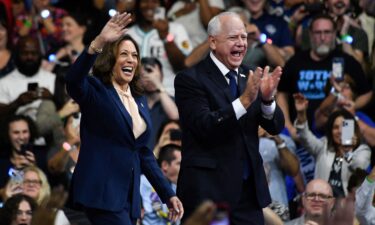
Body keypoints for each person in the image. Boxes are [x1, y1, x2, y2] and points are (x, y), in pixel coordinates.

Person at [65, 12, 183, 225]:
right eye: (124, 54)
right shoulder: (96, 90)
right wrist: (99, 41)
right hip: (101, 194)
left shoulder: (139, 98)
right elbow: (73, 80)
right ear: (111, 59)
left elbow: (143, 153)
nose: (131, 60)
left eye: (135, 55)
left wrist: (168, 194)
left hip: (129, 198)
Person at [174, 11, 284, 225]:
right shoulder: (190, 79)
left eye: (244, 37)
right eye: (233, 38)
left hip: (248, 194)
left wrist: (267, 100)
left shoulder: (251, 76)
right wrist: (244, 101)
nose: (241, 44)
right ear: (213, 42)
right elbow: (204, 125)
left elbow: (276, 125)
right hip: (208, 194)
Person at [293, 93, 371, 197]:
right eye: (335, 127)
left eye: (344, 127)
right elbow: (305, 136)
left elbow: (358, 166)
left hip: (346, 207)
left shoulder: (362, 150)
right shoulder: (323, 146)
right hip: (322, 203)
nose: (339, 131)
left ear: (352, 129)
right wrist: (301, 113)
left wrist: (347, 151)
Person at [141, 144, 182, 225]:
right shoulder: (142, 182)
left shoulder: (177, 188)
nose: (182, 168)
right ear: (165, 165)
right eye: (179, 163)